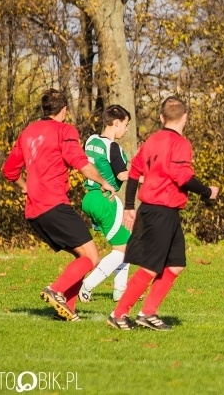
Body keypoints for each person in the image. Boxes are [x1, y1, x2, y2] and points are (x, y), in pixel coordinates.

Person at [2, 88, 117, 321]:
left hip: (34, 211)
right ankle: (56, 290)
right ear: (64, 110)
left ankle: (67, 309)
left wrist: (25, 186)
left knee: (81, 257)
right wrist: (104, 182)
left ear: (44, 110)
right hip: (54, 204)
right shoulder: (64, 130)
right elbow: (80, 163)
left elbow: (9, 171)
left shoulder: (28, 132)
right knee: (92, 257)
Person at [107, 96, 218, 330]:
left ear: (161, 117)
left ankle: (147, 313)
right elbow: (182, 176)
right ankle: (118, 314)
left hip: (162, 211)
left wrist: (129, 206)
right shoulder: (180, 144)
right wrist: (207, 192)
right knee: (150, 266)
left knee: (175, 264)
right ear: (185, 117)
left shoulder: (152, 140)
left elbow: (134, 172)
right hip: (160, 211)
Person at [79, 104, 133, 303]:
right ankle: (87, 286)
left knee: (126, 241)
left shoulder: (92, 140)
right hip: (105, 199)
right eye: (125, 125)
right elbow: (122, 174)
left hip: (90, 197)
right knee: (122, 250)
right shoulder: (113, 147)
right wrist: (149, 177)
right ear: (116, 123)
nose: (126, 130)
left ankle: (120, 290)